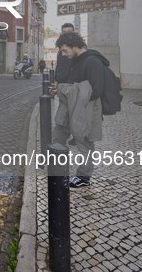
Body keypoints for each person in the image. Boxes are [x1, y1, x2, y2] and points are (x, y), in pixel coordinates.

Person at [54, 32, 108, 188]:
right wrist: (62, 88)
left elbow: (96, 90)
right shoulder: (75, 60)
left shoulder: (93, 62)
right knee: (58, 133)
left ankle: (84, 177)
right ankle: (57, 166)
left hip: (85, 109)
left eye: (65, 50)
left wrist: (69, 90)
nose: (63, 54)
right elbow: (72, 82)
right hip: (70, 106)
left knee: (84, 142)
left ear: (74, 46)